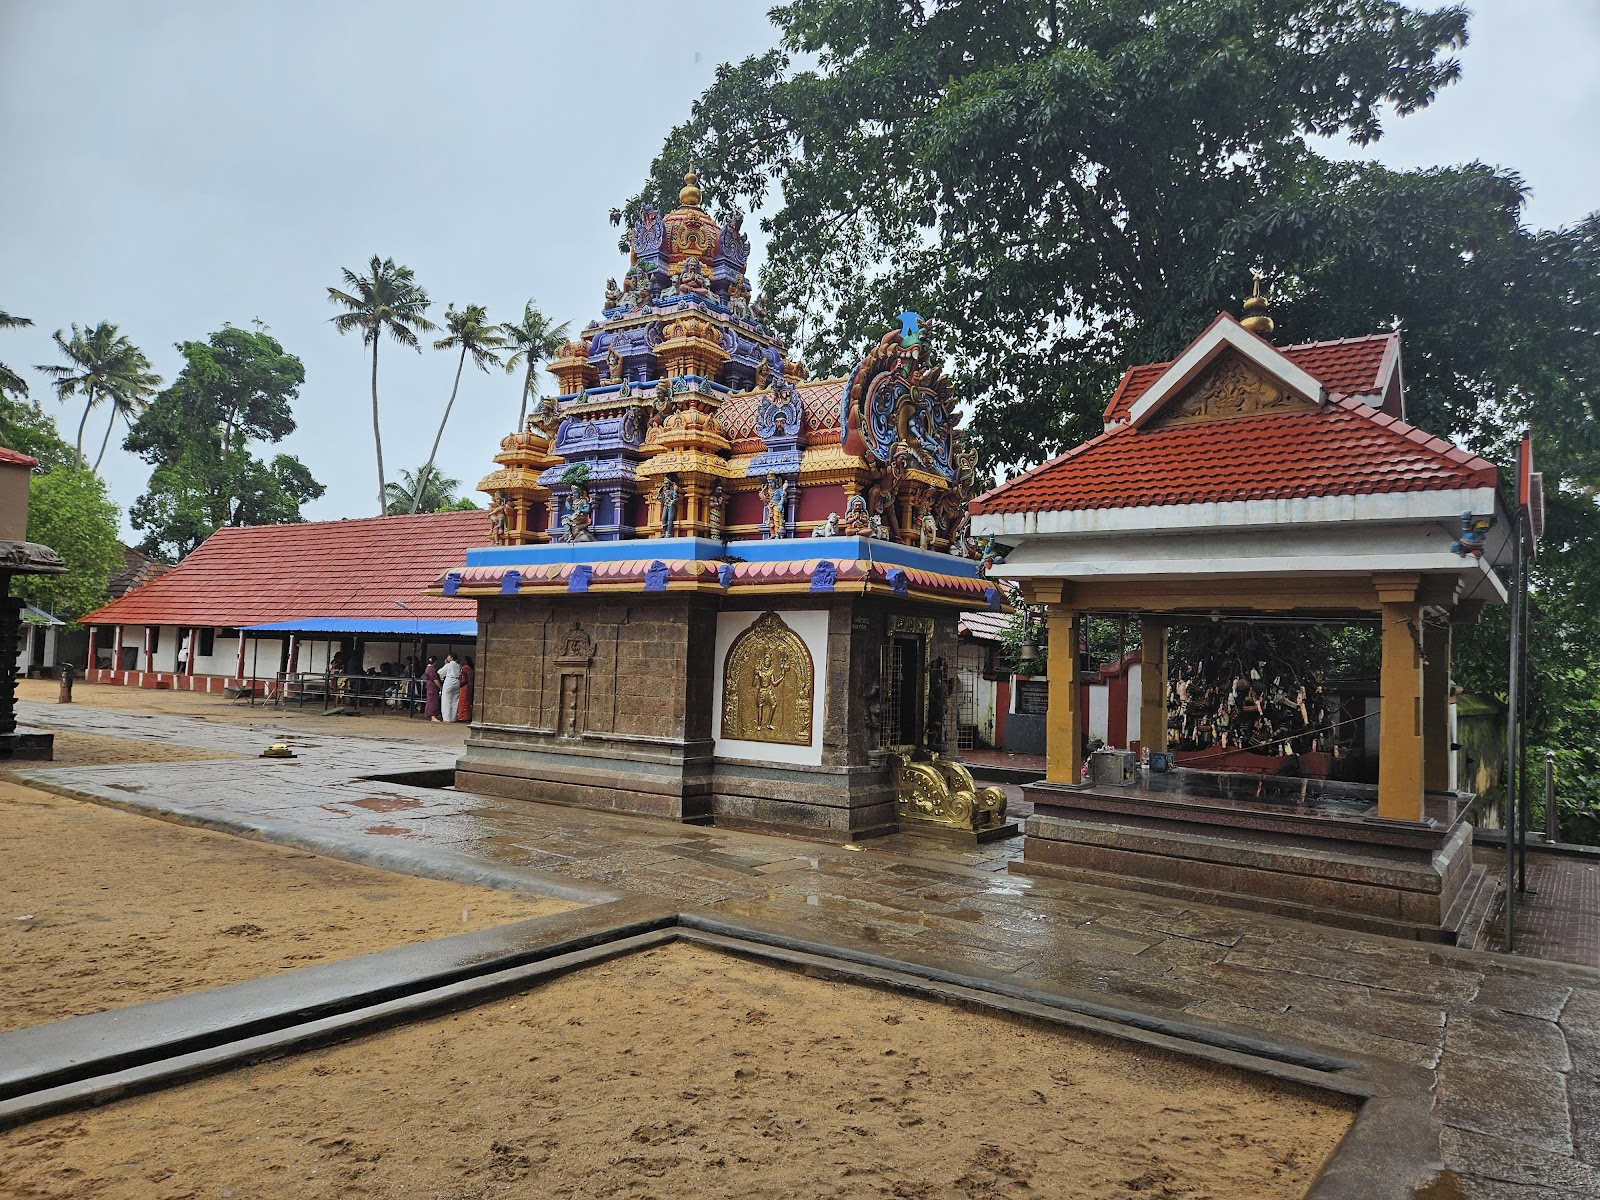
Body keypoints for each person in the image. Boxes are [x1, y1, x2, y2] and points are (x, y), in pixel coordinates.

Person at [440, 652, 462, 724]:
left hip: (449, 681)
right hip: (456, 681)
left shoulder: (448, 665)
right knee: (455, 700)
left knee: (446, 700)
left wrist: (445, 664)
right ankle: (453, 717)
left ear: (451, 658)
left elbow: (440, 673)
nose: (447, 658)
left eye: (448, 657)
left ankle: (447, 718)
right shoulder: (459, 665)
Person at [423, 656, 442, 722]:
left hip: (429, 686)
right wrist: (440, 687)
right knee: (433, 701)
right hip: (432, 686)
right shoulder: (432, 670)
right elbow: (435, 680)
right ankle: (432, 716)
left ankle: (429, 714)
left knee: (430, 700)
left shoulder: (427, 668)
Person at [457, 655, 475, 724]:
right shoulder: (469, 668)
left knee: (463, 701)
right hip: (467, 686)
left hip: (464, 686)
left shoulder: (465, 668)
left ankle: (463, 716)